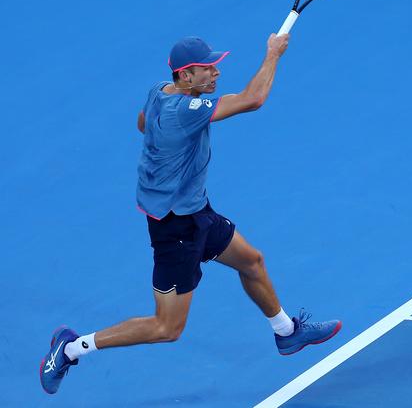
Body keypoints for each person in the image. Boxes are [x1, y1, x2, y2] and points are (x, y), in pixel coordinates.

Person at [40, 34, 342, 395]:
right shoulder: (184, 111)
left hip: (196, 213)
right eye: (207, 69)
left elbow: (142, 122)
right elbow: (253, 99)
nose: (215, 73)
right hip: (175, 229)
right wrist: (273, 54)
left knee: (252, 262)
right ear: (185, 75)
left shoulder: (159, 91)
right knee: (167, 328)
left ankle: (286, 332)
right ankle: (71, 349)